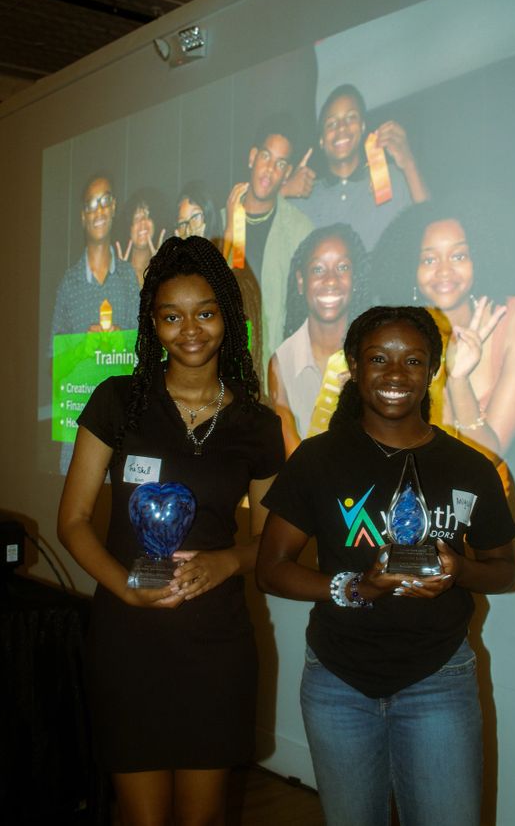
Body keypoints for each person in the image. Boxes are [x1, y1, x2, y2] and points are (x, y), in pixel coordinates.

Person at [257, 306, 515, 826]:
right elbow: (272, 568)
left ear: (433, 370)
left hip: (439, 678)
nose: (396, 375)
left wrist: (458, 572)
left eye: (413, 361)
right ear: (354, 364)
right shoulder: (317, 459)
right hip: (338, 683)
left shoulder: (472, 467)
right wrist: (356, 587)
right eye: (379, 359)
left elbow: (505, 568)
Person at [58, 236, 284, 826]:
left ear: (228, 319)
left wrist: (227, 562)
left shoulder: (257, 424)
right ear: (151, 323)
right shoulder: (117, 402)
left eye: (205, 313)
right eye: (171, 315)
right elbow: (73, 521)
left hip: (215, 644)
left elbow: (271, 541)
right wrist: (123, 587)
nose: (191, 330)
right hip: (128, 642)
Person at [371, 201, 515, 456]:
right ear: (411, 269)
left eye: (458, 256)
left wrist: (458, 380)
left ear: (478, 258)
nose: (444, 271)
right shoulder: (396, 336)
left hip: (487, 488)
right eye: (429, 259)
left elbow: (489, 456)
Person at [221, 122, 314, 382]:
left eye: (281, 163)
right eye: (265, 156)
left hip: (277, 373)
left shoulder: (299, 229)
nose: (270, 169)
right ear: (252, 157)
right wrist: (228, 232)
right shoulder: (218, 221)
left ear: (287, 174)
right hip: (224, 372)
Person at [284, 84, 428, 250]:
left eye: (351, 117)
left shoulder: (391, 179)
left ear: (362, 127)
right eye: (331, 123)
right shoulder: (302, 196)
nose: (341, 127)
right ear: (321, 140)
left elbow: (431, 224)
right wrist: (282, 193)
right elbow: (253, 247)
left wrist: (409, 163)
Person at [268, 224, 369, 457]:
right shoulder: (282, 363)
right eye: (318, 269)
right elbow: (295, 458)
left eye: (342, 267)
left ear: (355, 279)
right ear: (301, 281)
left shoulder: (374, 356)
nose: (331, 280)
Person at [50, 175, 140, 336]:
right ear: (83, 217)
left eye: (105, 201)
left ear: (113, 207)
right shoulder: (68, 284)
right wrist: (83, 348)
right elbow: (56, 355)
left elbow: (142, 345)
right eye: (91, 204)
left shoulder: (128, 276)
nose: (99, 210)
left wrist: (124, 341)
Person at [116, 189, 167, 287]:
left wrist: (162, 271)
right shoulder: (115, 271)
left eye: (147, 216)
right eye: (136, 217)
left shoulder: (166, 268)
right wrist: (116, 283)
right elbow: (102, 302)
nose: (143, 221)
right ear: (128, 229)